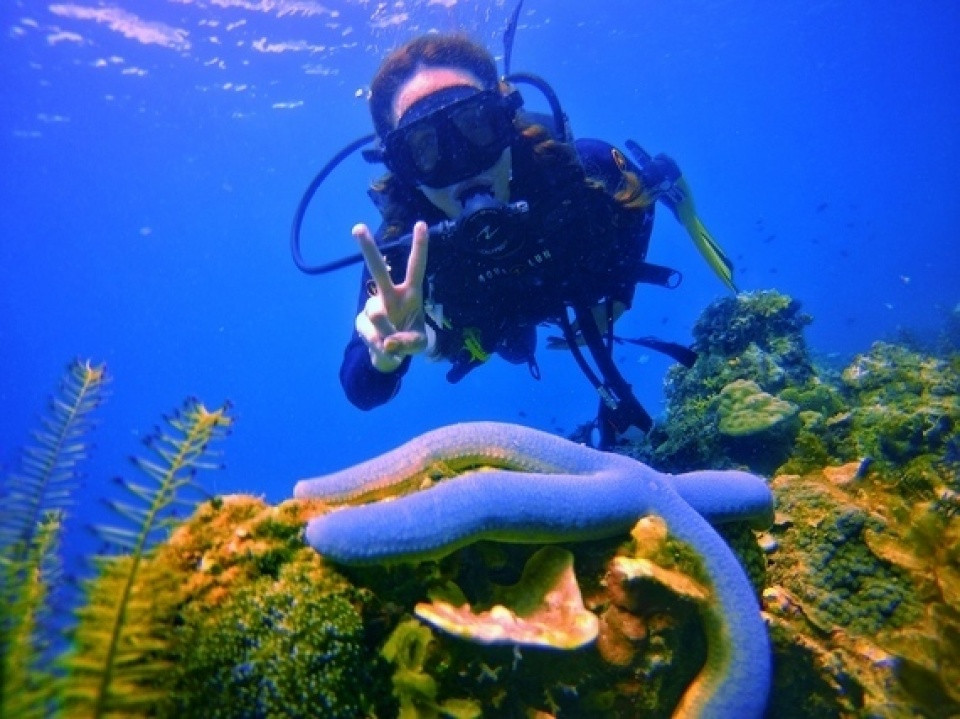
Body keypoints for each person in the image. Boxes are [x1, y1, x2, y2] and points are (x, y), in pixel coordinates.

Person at [337, 33, 735, 448]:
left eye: (476, 125)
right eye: (424, 148)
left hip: (567, 279)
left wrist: (620, 295)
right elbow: (359, 389)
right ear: (401, 168)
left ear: (506, 120)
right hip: (491, 318)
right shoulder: (400, 252)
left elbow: (638, 205)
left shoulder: (585, 169)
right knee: (511, 346)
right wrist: (383, 358)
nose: (461, 164)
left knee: (651, 181)